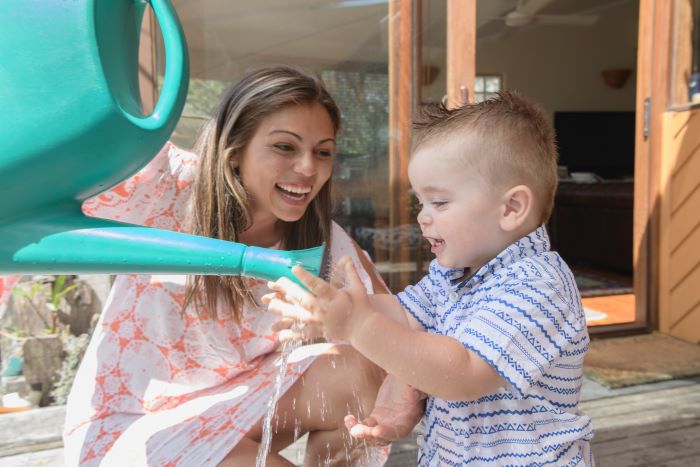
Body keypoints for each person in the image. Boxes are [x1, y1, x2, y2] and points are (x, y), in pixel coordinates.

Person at [62, 66, 420, 466]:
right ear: (235, 150)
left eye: (323, 151)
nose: (307, 167)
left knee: (365, 369)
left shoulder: (322, 241)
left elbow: (399, 326)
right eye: (285, 147)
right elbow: (64, 170)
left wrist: (389, 371)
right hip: (133, 427)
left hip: (238, 407)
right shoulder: (168, 186)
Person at [266, 91, 595, 466]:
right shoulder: (454, 276)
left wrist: (358, 324)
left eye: (439, 202)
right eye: (420, 202)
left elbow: (463, 372)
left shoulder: (536, 285)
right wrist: (334, 310)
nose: (422, 217)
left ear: (512, 208)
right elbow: (404, 315)